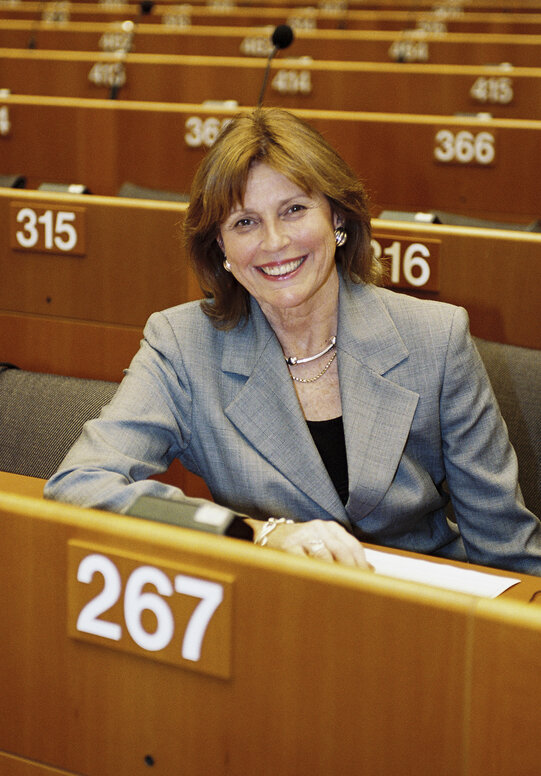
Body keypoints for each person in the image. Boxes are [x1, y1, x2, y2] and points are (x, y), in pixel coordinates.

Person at [44, 107, 541, 574]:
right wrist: (257, 536)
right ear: (221, 246)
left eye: (294, 209)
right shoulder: (181, 345)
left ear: (337, 219)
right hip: (274, 614)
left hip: (422, 615)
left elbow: (506, 552)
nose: (275, 242)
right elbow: (80, 484)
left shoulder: (437, 338)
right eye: (245, 222)